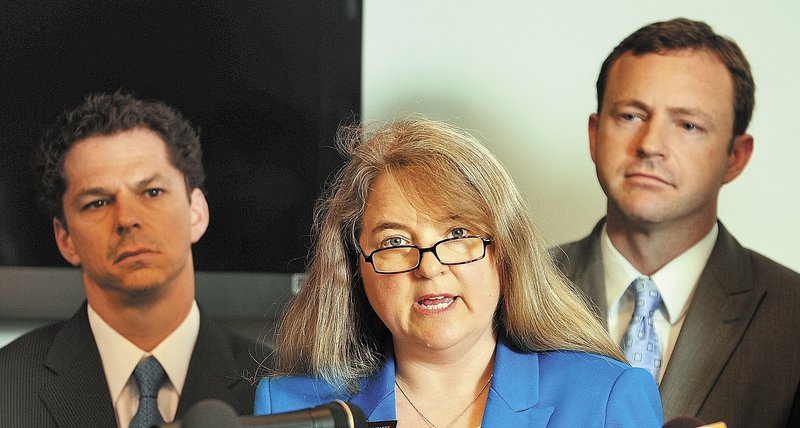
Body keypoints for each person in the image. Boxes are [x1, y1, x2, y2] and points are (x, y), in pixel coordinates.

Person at [253, 117, 662, 427]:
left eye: (458, 233)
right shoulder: (294, 409)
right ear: (356, 265)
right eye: (395, 242)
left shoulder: (605, 397)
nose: (430, 267)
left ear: (503, 251)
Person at [552, 18, 800, 428]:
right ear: (595, 135)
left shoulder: (792, 317)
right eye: (631, 115)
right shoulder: (510, 290)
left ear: (735, 157)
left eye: (688, 125)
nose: (650, 144)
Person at [0, 92, 260, 427]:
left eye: (152, 193)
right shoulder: (7, 387)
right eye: (97, 203)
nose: (127, 218)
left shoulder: (281, 385)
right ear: (65, 238)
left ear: (196, 212)